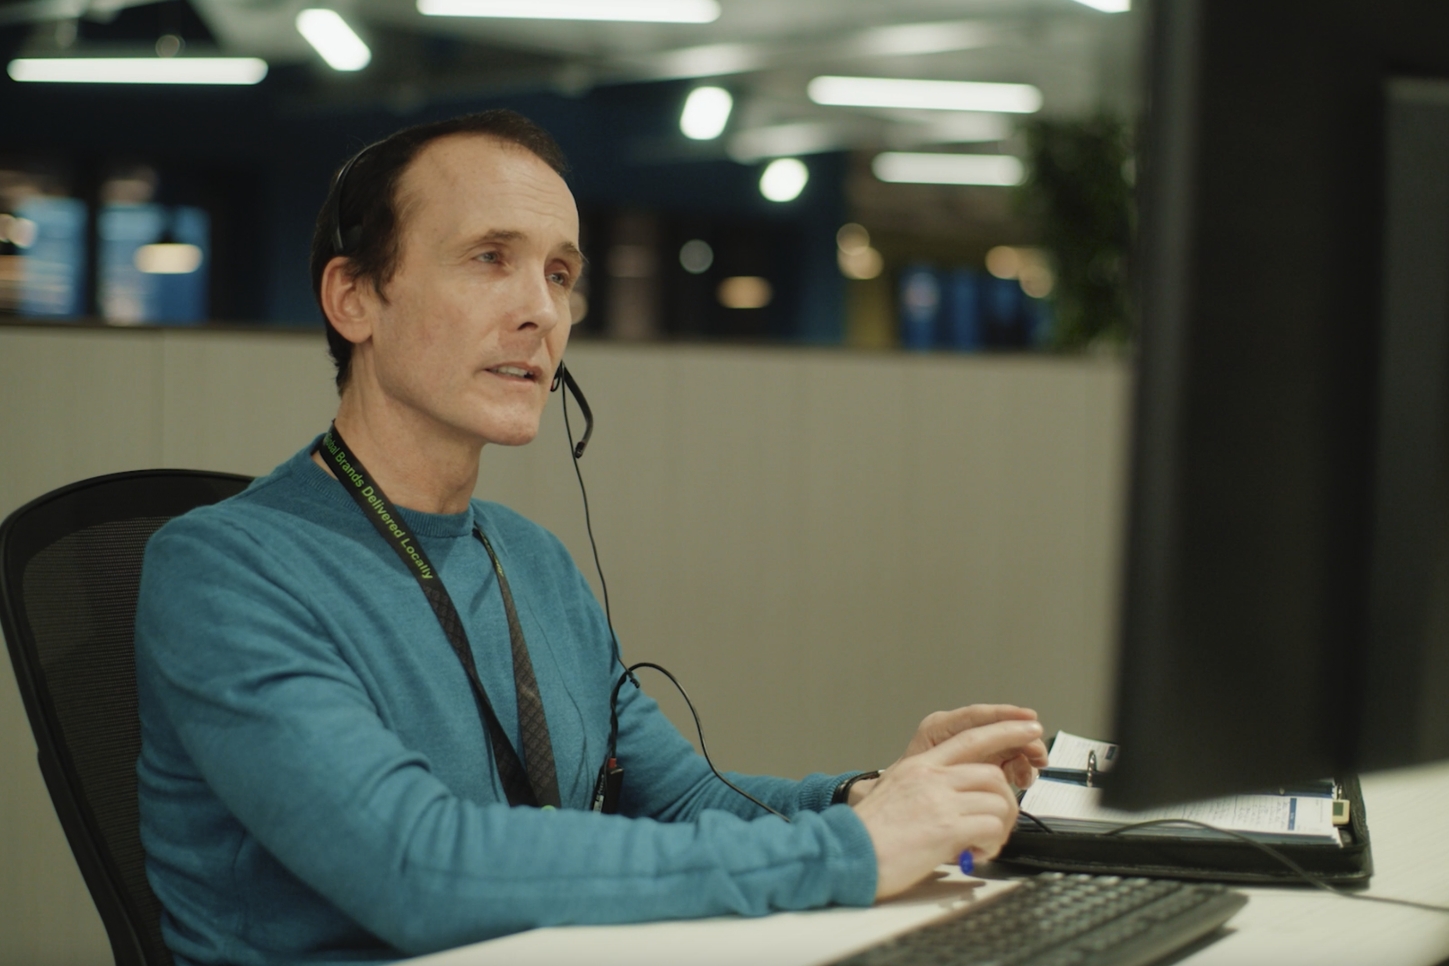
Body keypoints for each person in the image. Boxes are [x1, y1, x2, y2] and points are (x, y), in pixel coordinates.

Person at [134, 110, 1049, 966]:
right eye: (490, 258)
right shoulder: (222, 572)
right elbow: (415, 870)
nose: (540, 311)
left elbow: (683, 801)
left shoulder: (527, 558)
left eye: (560, 274)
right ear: (354, 298)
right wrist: (851, 848)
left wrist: (872, 797)